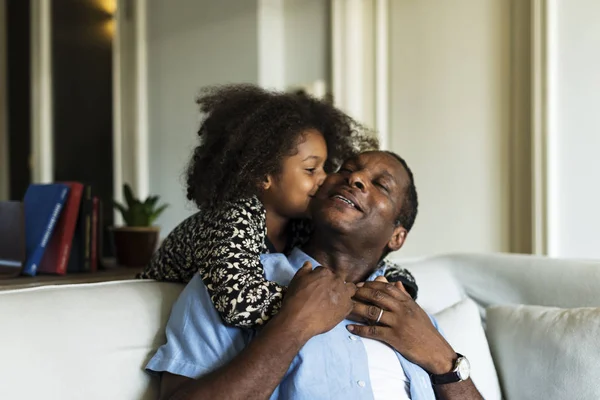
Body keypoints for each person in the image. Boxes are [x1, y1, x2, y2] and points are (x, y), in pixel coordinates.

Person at [147, 150, 483, 400]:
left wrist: (443, 358)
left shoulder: (408, 310)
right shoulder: (233, 283)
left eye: (381, 184)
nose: (355, 178)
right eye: (346, 170)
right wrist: (292, 326)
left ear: (397, 237)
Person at [138, 85, 419, 330]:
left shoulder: (299, 226)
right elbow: (240, 303)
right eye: (311, 169)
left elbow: (383, 265)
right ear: (264, 176)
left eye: (325, 167)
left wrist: (399, 287)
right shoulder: (233, 218)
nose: (325, 180)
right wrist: (346, 300)